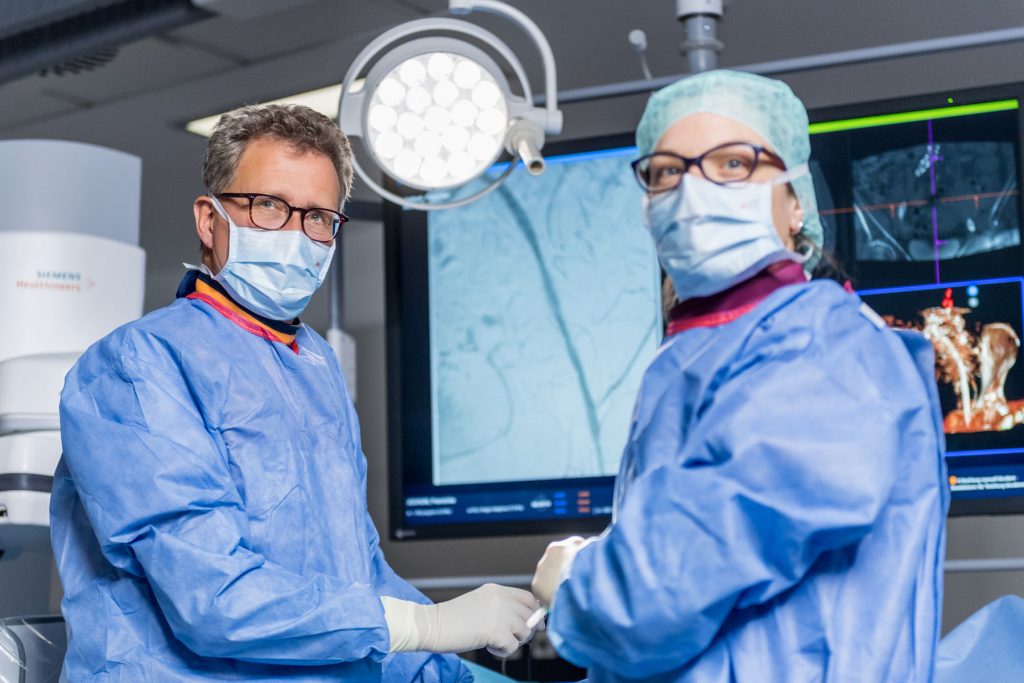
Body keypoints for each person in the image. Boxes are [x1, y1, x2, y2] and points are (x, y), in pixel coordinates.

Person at [51, 103, 539, 682]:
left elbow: (360, 579)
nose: (295, 235)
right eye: (269, 207)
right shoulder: (137, 365)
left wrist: (455, 659)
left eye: (318, 218)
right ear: (210, 221)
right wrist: (427, 627)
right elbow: (211, 599)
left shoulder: (314, 366)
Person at [530, 70, 949, 682]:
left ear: (794, 198)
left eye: (732, 163)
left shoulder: (825, 348)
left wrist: (580, 583)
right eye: (668, 171)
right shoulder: (692, 360)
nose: (693, 190)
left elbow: (658, 594)